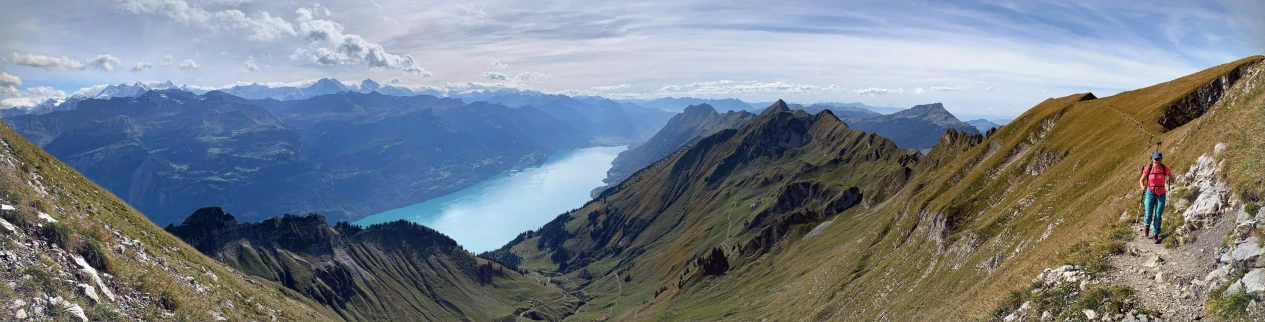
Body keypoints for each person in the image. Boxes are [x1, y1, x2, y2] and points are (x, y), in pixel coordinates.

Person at [1139, 152, 1171, 244]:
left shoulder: (1164, 168)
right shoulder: (1148, 168)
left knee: (1158, 214)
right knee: (1148, 213)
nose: (1157, 161)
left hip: (1161, 194)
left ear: (1161, 159)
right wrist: (1142, 187)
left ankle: (1155, 235)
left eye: (1159, 159)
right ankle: (1146, 225)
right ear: (1152, 160)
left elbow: (1172, 179)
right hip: (1150, 193)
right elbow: (1141, 180)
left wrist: (1170, 178)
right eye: (1155, 159)